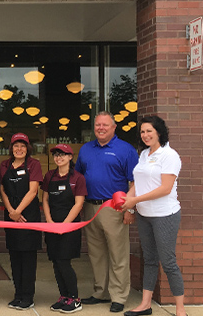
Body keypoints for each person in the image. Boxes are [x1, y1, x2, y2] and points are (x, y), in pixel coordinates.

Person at [120, 116, 186, 316]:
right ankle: (145, 305)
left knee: (168, 262)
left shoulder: (170, 155)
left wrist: (134, 200)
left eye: (149, 131)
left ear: (159, 132)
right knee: (149, 260)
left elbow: (165, 188)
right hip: (144, 215)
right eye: (142, 131)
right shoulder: (144, 155)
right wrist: (128, 204)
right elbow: (137, 185)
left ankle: (181, 310)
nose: (145, 135)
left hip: (164, 215)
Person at [74, 111, 139, 313]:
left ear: (114, 127)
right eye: (97, 125)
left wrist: (130, 207)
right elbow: (78, 178)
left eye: (105, 125)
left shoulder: (125, 150)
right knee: (96, 254)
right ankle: (99, 292)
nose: (101, 128)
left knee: (118, 254)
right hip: (90, 207)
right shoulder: (86, 149)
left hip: (114, 208)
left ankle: (118, 296)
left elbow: (135, 182)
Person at [0, 133, 42, 311]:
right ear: (11, 148)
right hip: (11, 216)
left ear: (28, 148)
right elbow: (2, 190)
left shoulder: (34, 164)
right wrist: (10, 211)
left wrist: (18, 211)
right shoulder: (4, 165)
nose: (19, 149)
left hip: (28, 215)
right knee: (14, 256)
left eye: (22, 146)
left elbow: (33, 192)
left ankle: (28, 296)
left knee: (28, 258)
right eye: (16, 146)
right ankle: (18, 294)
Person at [42, 143, 87, 314]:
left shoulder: (78, 178)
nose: (58, 158)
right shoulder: (49, 176)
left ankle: (74, 298)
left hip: (69, 226)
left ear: (70, 157)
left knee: (64, 261)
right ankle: (63, 297)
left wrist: (65, 225)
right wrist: (49, 220)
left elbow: (79, 203)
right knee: (55, 261)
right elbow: (45, 200)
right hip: (52, 225)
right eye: (56, 155)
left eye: (62, 154)